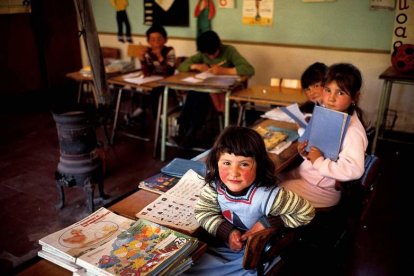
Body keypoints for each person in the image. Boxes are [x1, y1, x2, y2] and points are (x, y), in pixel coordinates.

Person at [183, 126, 315, 275]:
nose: (234, 173)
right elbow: (203, 212)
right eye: (226, 163)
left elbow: (306, 213)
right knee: (185, 267)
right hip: (224, 248)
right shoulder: (215, 187)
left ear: (258, 166)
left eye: (244, 164)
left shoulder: (269, 196)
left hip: (255, 256)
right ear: (215, 162)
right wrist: (227, 232)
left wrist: (266, 223)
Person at [278, 63, 368, 209]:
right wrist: (306, 152)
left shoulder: (353, 131)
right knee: (269, 179)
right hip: (309, 176)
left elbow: (354, 170)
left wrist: (318, 161)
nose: (331, 98)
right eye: (328, 90)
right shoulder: (328, 114)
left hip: (322, 190)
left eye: (340, 93)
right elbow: (319, 150)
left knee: (269, 195)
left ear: (355, 97)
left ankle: (270, 227)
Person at [176, 30, 255, 147]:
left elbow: (249, 69)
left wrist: (225, 71)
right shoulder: (203, 53)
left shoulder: (229, 51)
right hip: (209, 89)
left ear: (219, 45)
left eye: (213, 53)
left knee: (200, 96)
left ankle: (190, 132)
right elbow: (181, 66)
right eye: (208, 54)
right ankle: (186, 129)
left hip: (223, 92)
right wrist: (195, 66)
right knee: (194, 93)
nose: (211, 56)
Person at [124, 25, 176, 124]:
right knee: (138, 89)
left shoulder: (169, 50)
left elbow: (168, 72)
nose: (156, 43)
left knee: (154, 91)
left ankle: (140, 113)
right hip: (152, 81)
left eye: (159, 39)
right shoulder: (148, 52)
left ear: (165, 40)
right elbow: (147, 72)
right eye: (152, 40)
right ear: (148, 41)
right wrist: (142, 59)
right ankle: (141, 116)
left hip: (167, 82)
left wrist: (160, 57)